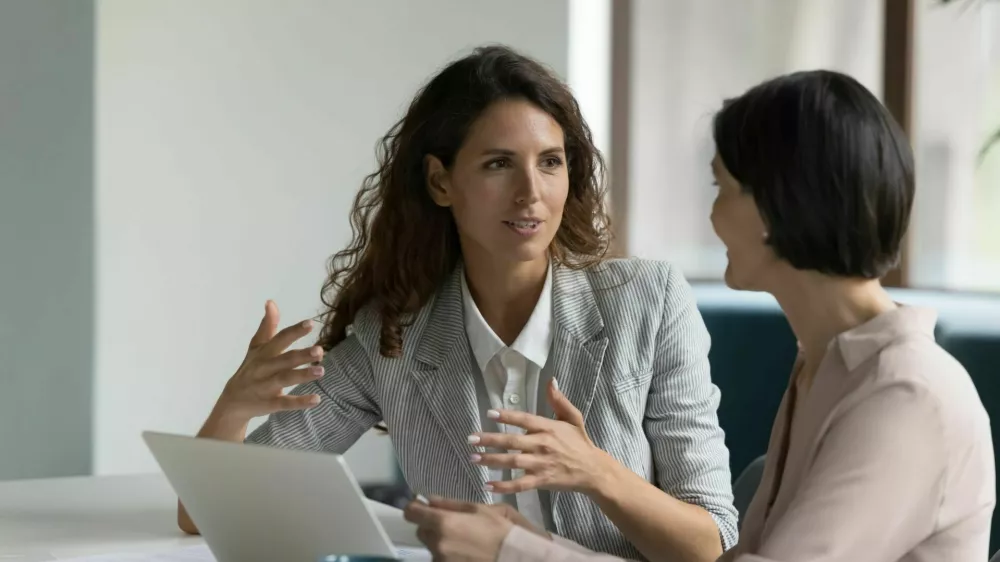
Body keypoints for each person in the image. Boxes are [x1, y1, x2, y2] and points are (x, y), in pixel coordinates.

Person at [403, 70, 997, 562]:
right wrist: (534, 543)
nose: (712, 217)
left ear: (774, 207)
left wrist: (518, 552)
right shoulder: (826, 367)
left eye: (722, 188)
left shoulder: (906, 394)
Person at [176, 44, 739, 561]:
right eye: (499, 164)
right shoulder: (392, 337)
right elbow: (204, 514)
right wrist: (235, 406)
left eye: (550, 161)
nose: (531, 192)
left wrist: (596, 472)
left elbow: (711, 546)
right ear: (441, 182)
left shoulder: (649, 301)